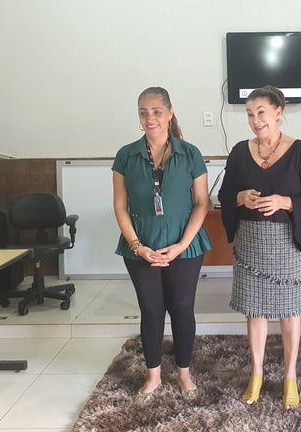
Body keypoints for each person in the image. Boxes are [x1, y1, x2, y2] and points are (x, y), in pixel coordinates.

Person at [218, 85, 301, 408]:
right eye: (250, 114)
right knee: (255, 311)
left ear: (279, 112)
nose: (255, 120)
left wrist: (285, 201)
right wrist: (240, 197)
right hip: (250, 242)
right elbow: (224, 195)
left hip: (287, 243)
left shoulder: (299, 151)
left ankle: (290, 377)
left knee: (290, 313)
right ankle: (257, 374)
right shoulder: (239, 152)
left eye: (261, 112)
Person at [112, 87, 212, 404]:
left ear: (170, 113)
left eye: (156, 111)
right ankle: (153, 376)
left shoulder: (190, 153)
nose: (150, 118)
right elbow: (120, 206)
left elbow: (202, 203)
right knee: (151, 309)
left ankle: (184, 374)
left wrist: (182, 245)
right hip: (141, 247)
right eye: (143, 112)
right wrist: (137, 246)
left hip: (185, 246)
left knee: (181, 308)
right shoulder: (126, 155)